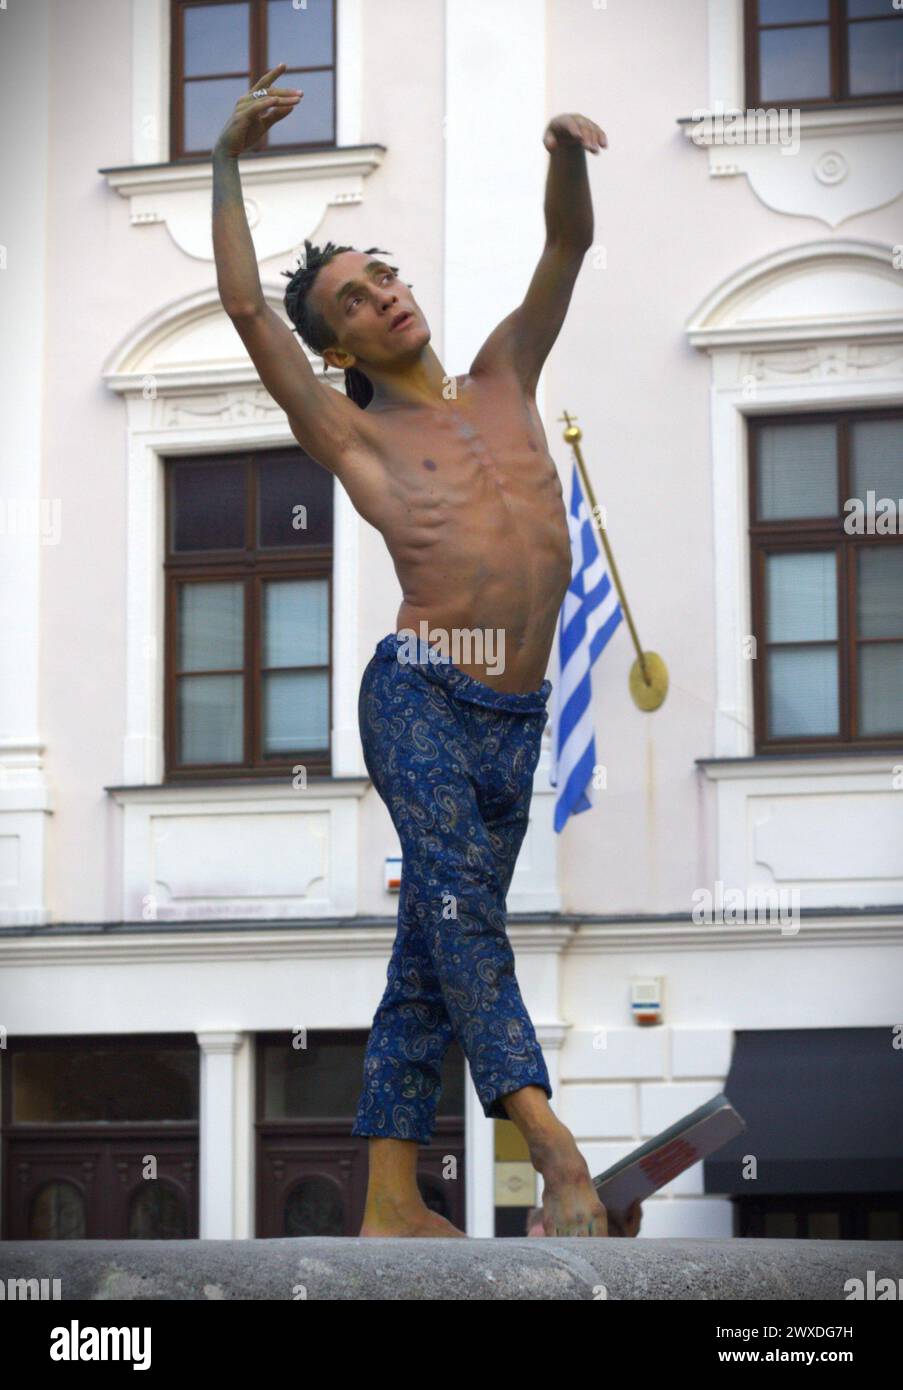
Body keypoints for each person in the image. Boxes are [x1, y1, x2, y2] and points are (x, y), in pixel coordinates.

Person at [213, 63, 639, 1240]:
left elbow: (566, 249)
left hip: (519, 717)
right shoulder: (350, 431)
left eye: (381, 275)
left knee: (428, 954)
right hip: (419, 694)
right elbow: (251, 310)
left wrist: (562, 151)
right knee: (463, 916)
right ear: (339, 344)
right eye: (351, 299)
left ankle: (391, 1197)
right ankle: (550, 1146)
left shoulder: (506, 370)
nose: (382, 298)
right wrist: (228, 161)